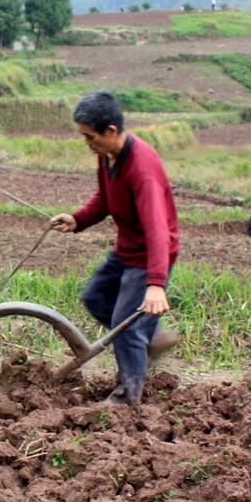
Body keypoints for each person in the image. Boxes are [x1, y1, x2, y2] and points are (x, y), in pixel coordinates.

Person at [50, 92, 180, 407]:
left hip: (149, 253)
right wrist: (78, 219)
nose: (86, 142)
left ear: (110, 131)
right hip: (127, 249)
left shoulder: (142, 169)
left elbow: (158, 230)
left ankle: (127, 396)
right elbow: (105, 200)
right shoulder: (107, 155)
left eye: (89, 136)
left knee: (127, 326)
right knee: (95, 298)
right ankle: (149, 336)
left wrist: (155, 284)